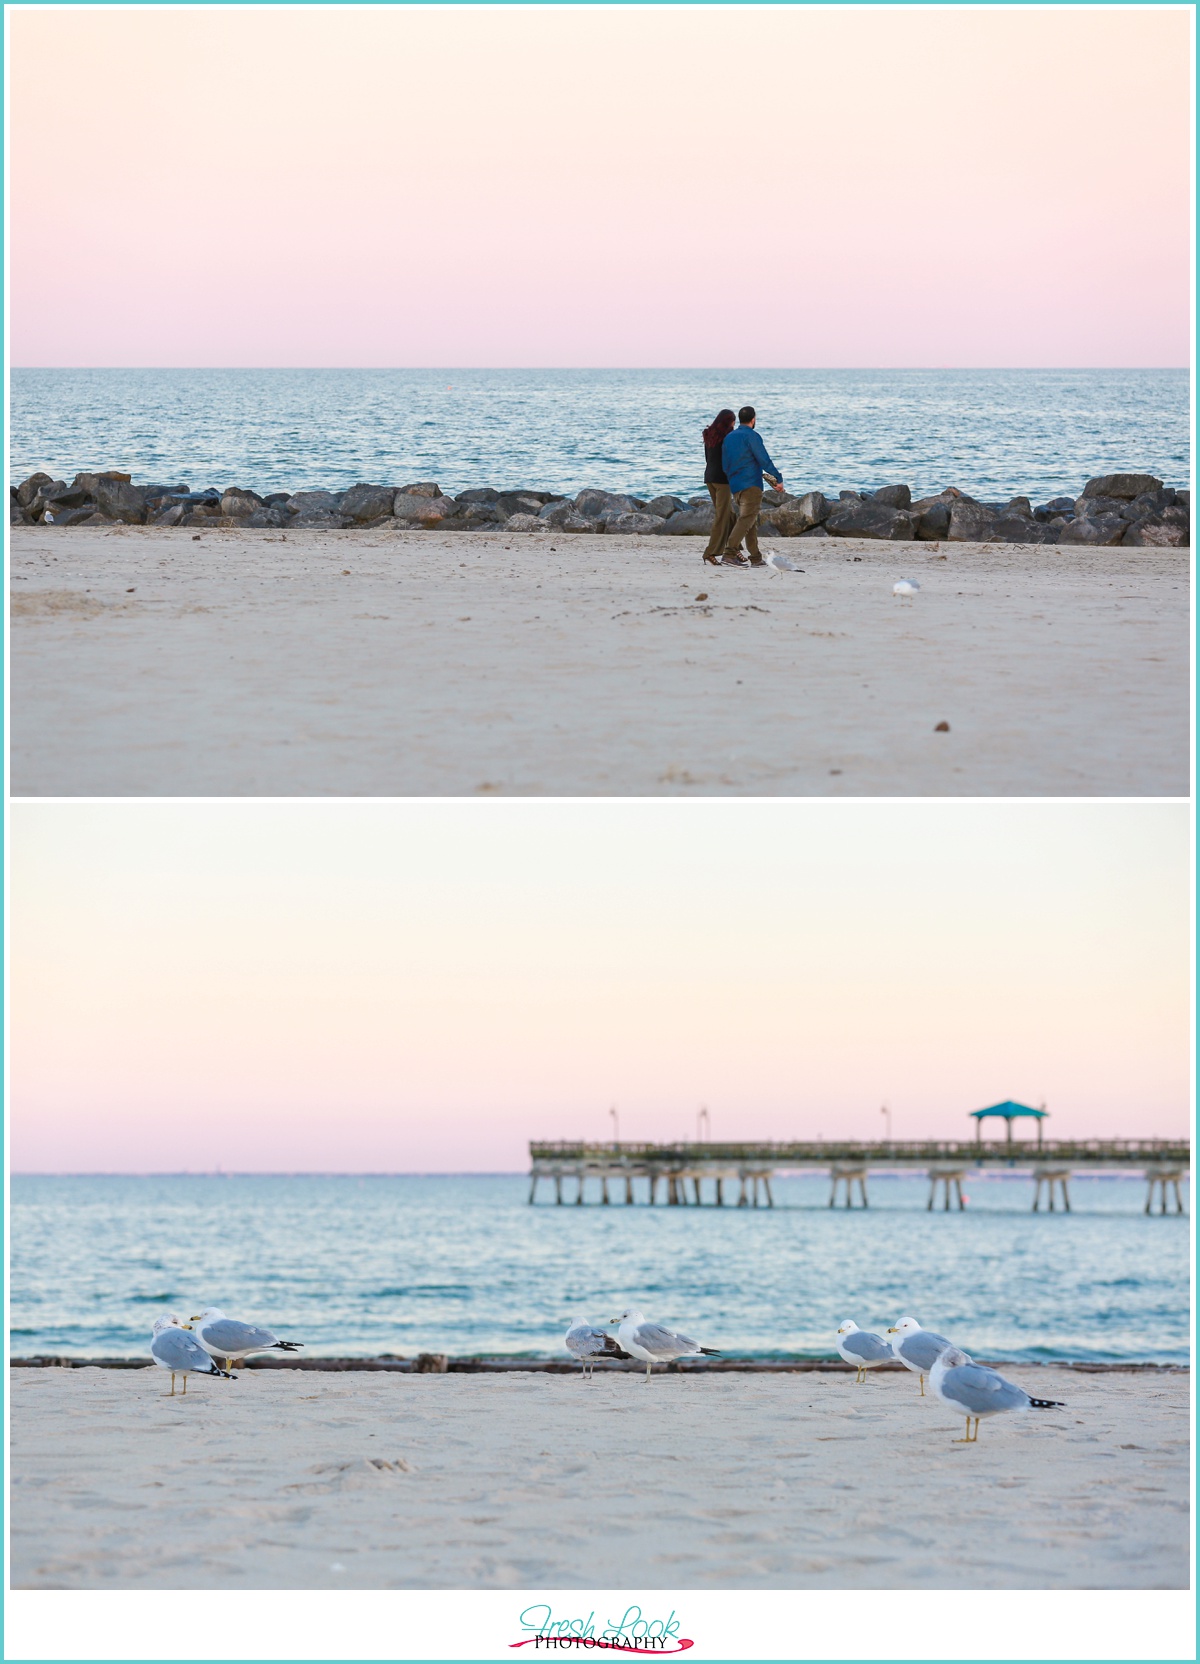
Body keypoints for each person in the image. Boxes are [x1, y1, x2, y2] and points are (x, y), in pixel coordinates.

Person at [719, 406, 784, 567]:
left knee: (750, 520)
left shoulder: (729, 437)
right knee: (746, 519)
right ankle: (729, 554)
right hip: (751, 485)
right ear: (753, 419)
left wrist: (733, 478)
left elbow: (725, 464)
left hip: (735, 485)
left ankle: (755, 557)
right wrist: (778, 478)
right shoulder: (752, 436)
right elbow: (763, 459)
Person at [700, 407, 737, 565]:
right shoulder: (729, 437)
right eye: (733, 421)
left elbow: (708, 458)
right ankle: (710, 552)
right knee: (722, 517)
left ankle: (734, 549)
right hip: (722, 481)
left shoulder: (709, 435)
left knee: (730, 515)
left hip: (709, 477)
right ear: (729, 422)